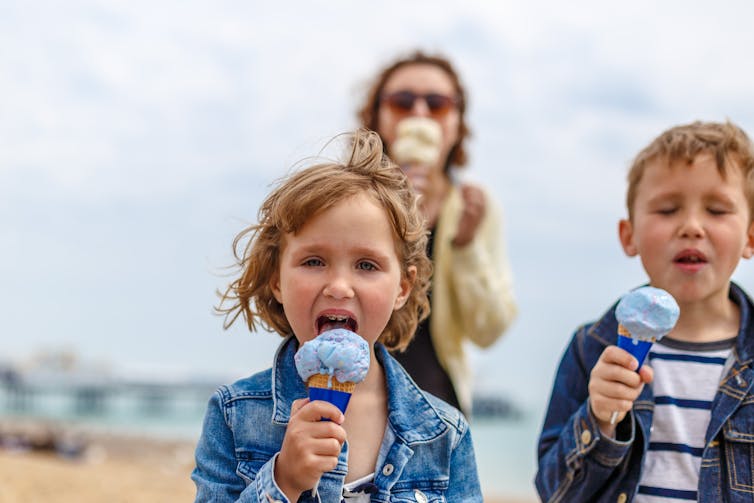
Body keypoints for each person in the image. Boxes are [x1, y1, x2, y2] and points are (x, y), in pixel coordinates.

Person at [191, 129, 482, 502]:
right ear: (276, 279)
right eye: (314, 261)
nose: (339, 286)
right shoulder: (235, 415)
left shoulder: (446, 432)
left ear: (402, 288)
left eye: (366, 264)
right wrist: (284, 481)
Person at [536, 120, 754, 502]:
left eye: (717, 210)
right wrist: (600, 418)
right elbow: (554, 492)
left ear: (750, 236)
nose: (691, 227)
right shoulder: (592, 348)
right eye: (667, 209)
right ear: (629, 235)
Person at [357, 50, 518, 416]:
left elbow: (488, 330)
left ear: (458, 122)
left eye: (438, 104)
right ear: (376, 117)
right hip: (349, 397)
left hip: (437, 406)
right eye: (402, 102)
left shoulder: (477, 206)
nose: (419, 114)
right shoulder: (340, 197)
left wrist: (466, 245)